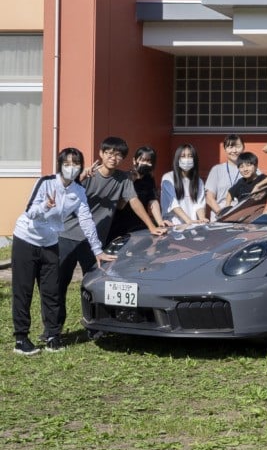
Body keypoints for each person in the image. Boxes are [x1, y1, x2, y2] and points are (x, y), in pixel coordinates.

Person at [57, 136, 165, 338]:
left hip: (95, 242)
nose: (113, 158)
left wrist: (152, 226)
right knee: (59, 283)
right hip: (68, 235)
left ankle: (96, 327)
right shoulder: (87, 175)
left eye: (118, 155)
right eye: (109, 153)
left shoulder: (123, 179)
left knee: (97, 284)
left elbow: (134, 201)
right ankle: (53, 331)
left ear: (123, 158)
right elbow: (61, 193)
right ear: (101, 154)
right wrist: (80, 178)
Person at [12, 148, 116, 354]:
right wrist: (46, 206)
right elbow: (30, 212)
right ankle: (21, 339)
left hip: (51, 242)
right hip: (26, 239)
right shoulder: (46, 182)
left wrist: (97, 250)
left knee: (52, 289)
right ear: (60, 165)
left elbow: (86, 220)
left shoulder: (78, 191)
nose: (71, 168)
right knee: (23, 290)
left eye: (76, 163)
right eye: (67, 163)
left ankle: (53, 335)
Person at [161, 144, 218, 225]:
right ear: (177, 159)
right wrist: (188, 220)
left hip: (192, 226)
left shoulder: (198, 181)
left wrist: (202, 218)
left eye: (190, 156)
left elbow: (199, 204)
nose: (187, 159)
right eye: (183, 156)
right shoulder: (168, 178)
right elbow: (173, 204)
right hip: (173, 225)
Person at [119, 146, 165, 235]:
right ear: (134, 160)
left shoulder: (149, 179)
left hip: (141, 225)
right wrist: (131, 182)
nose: (145, 163)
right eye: (142, 160)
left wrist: (160, 222)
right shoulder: (125, 177)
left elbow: (153, 201)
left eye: (149, 161)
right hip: (122, 226)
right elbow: (120, 205)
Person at [204, 134, 247, 209]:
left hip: (243, 214)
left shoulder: (251, 169)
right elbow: (209, 197)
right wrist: (221, 213)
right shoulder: (217, 170)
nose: (234, 150)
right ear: (225, 149)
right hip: (220, 213)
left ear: (243, 148)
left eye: (237, 146)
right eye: (230, 147)